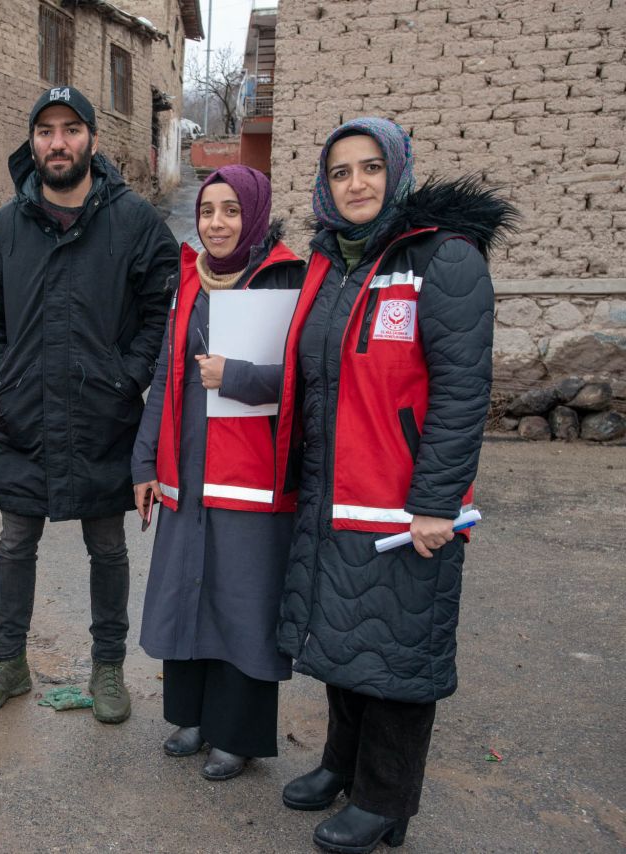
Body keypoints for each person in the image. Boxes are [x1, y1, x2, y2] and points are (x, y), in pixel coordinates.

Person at [275, 118, 516, 853]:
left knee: (400, 656)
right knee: (348, 641)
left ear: (399, 172)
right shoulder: (336, 264)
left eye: (371, 167)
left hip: (405, 505)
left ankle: (385, 800)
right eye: (341, 171)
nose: (356, 183)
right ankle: (342, 766)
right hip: (335, 494)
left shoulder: (444, 261)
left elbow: (462, 392)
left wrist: (437, 503)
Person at [0, 86, 179, 722]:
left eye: (71, 129)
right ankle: (9, 663)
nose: (58, 142)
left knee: (107, 548)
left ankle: (107, 668)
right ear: (32, 142)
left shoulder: (134, 221)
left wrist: (126, 374)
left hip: (102, 415)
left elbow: (161, 308)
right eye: (47, 130)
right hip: (24, 413)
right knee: (15, 545)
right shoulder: (6, 226)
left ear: (92, 139)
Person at [131, 165, 304, 781]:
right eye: (207, 211)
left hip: (252, 474)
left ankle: (239, 734)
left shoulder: (289, 279)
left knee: (243, 599)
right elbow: (165, 377)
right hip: (188, 468)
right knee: (188, 589)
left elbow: (311, 385)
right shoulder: (187, 282)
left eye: (231, 210)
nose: (218, 223)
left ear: (254, 212)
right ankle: (193, 716)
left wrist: (236, 377)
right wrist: (146, 463)